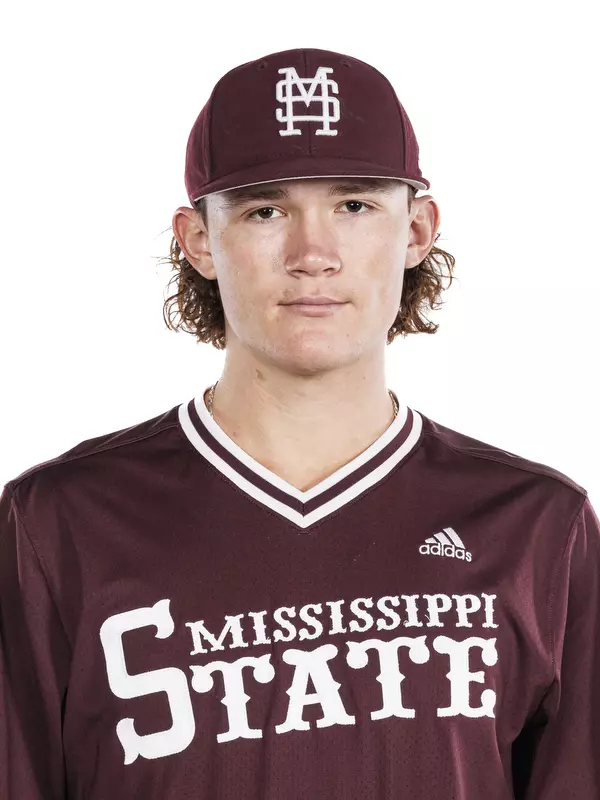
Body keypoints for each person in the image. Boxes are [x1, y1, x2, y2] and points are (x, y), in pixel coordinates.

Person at [1, 47, 598, 800]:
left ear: (415, 231)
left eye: (354, 205)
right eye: (265, 210)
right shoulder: (59, 525)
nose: (312, 254)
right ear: (197, 240)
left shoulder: (540, 528)